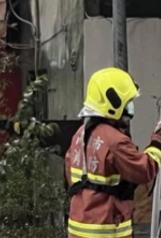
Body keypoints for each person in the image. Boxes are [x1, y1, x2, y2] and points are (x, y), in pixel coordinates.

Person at [65, 67, 161, 238]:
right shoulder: (115, 141)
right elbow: (145, 170)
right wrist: (157, 140)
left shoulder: (79, 135)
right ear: (113, 103)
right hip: (107, 229)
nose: (131, 106)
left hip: (78, 228)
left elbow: (70, 173)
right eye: (128, 101)